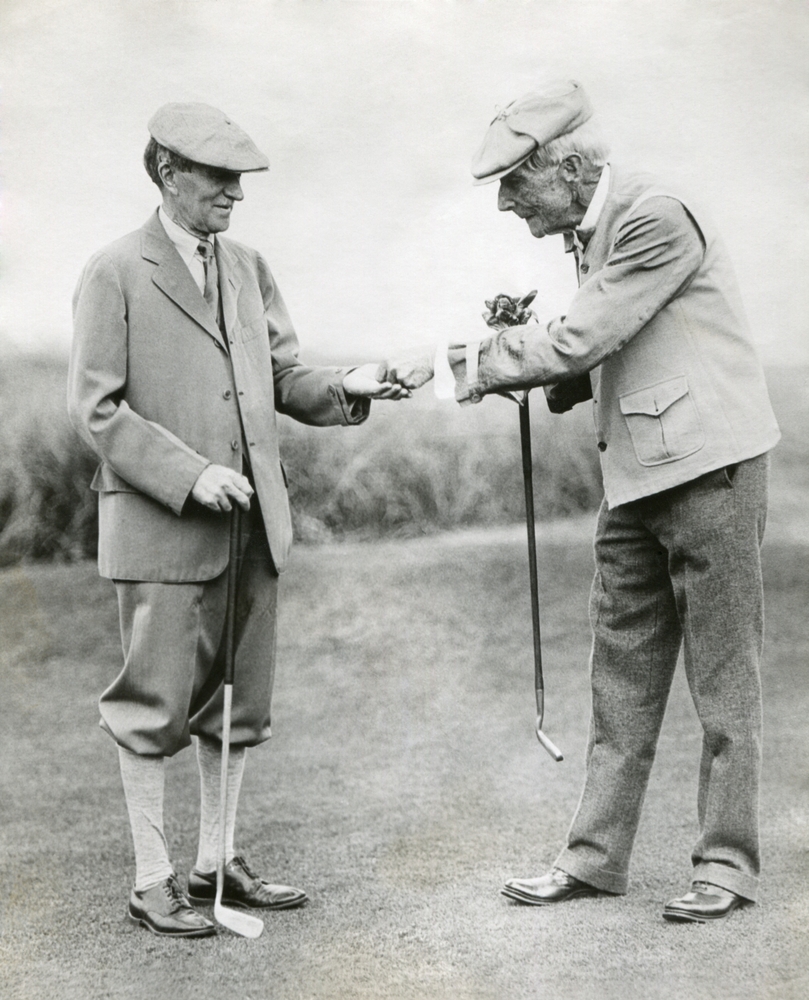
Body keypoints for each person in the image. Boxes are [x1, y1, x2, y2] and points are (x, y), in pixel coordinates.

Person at [381, 80, 780, 923]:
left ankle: (726, 864)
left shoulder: (653, 215)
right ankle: (595, 859)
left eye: (514, 184)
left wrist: (468, 360)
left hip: (710, 470)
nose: (503, 204)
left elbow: (586, 335)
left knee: (723, 681)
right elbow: (610, 344)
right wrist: (550, 381)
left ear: (563, 167)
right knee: (619, 680)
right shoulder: (593, 227)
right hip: (635, 476)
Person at [68, 102, 407, 938]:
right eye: (219, 178)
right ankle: (153, 881)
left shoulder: (249, 267)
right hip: (162, 530)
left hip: (253, 525)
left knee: (237, 704)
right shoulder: (113, 270)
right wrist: (191, 476)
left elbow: (282, 375)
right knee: (152, 704)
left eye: (240, 179)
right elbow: (98, 412)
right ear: (167, 173)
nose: (235, 195)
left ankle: (216, 863)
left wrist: (349, 385)